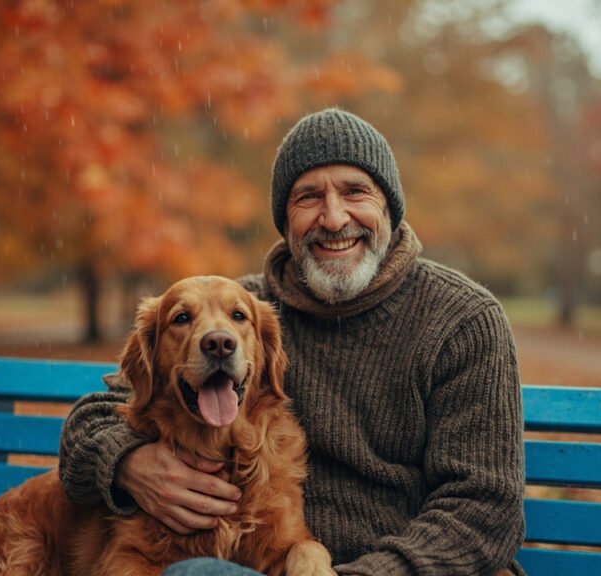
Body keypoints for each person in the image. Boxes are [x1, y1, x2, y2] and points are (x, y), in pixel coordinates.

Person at [58, 108, 525, 575]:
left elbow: (484, 511)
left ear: (390, 207)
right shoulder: (240, 312)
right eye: (308, 197)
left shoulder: (463, 320)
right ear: (286, 220)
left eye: (355, 191)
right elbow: (96, 417)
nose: (334, 216)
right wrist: (127, 463)